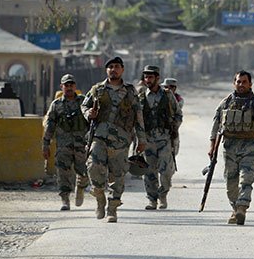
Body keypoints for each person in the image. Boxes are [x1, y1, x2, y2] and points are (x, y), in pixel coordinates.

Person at [82, 56, 146, 223]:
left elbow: (138, 116)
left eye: (117, 66)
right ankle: (99, 198)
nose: (113, 69)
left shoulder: (131, 91)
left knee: (118, 175)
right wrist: (89, 113)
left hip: (121, 141)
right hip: (99, 136)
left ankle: (112, 208)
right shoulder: (98, 89)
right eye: (110, 67)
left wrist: (142, 139)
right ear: (106, 70)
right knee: (93, 166)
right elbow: (84, 105)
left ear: (122, 70)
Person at [208, 70, 254, 225]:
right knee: (231, 183)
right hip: (229, 148)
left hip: (251, 147)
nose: (241, 85)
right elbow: (216, 124)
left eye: (244, 82)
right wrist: (212, 145)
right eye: (238, 81)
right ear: (234, 83)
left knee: (246, 179)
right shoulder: (226, 102)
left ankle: (242, 207)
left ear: (250, 84)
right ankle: (235, 209)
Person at [42, 74, 89, 211]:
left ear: (75, 86)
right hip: (63, 146)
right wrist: (46, 144)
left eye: (71, 85)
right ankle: (65, 199)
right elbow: (49, 125)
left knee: (86, 171)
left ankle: (80, 186)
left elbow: (93, 120)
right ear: (61, 87)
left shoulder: (84, 101)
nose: (69, 88)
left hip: (82, 145)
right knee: (63, 173)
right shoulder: (56, 105)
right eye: (66, 85)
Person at [139, 66, 181, 210]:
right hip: (147, 140)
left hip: (164, 139)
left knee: (166, 171)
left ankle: (163, 194)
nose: (147, 80)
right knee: (149, 171)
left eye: (150, 77)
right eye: (146, 77)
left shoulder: (168, 95)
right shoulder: (141, 96)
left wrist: (174, 128)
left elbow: (178, 114)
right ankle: (152, 200)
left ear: (157, 78)